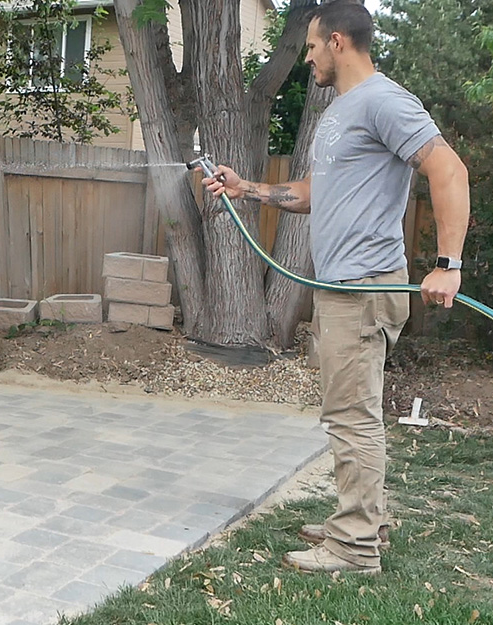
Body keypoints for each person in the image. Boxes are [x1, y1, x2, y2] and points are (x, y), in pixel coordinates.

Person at [202, 1, 470, 574]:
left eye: (312, 47)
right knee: (350, 410)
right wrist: (248, 189)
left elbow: (448, 169)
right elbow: (314, 193)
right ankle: (362, 517)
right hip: (341, 286)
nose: (309, 60)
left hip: (363, 285)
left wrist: (448, 263)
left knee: (351, 415)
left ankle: (353, 546)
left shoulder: (384, 101)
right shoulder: (343, 112)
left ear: (340, 41)